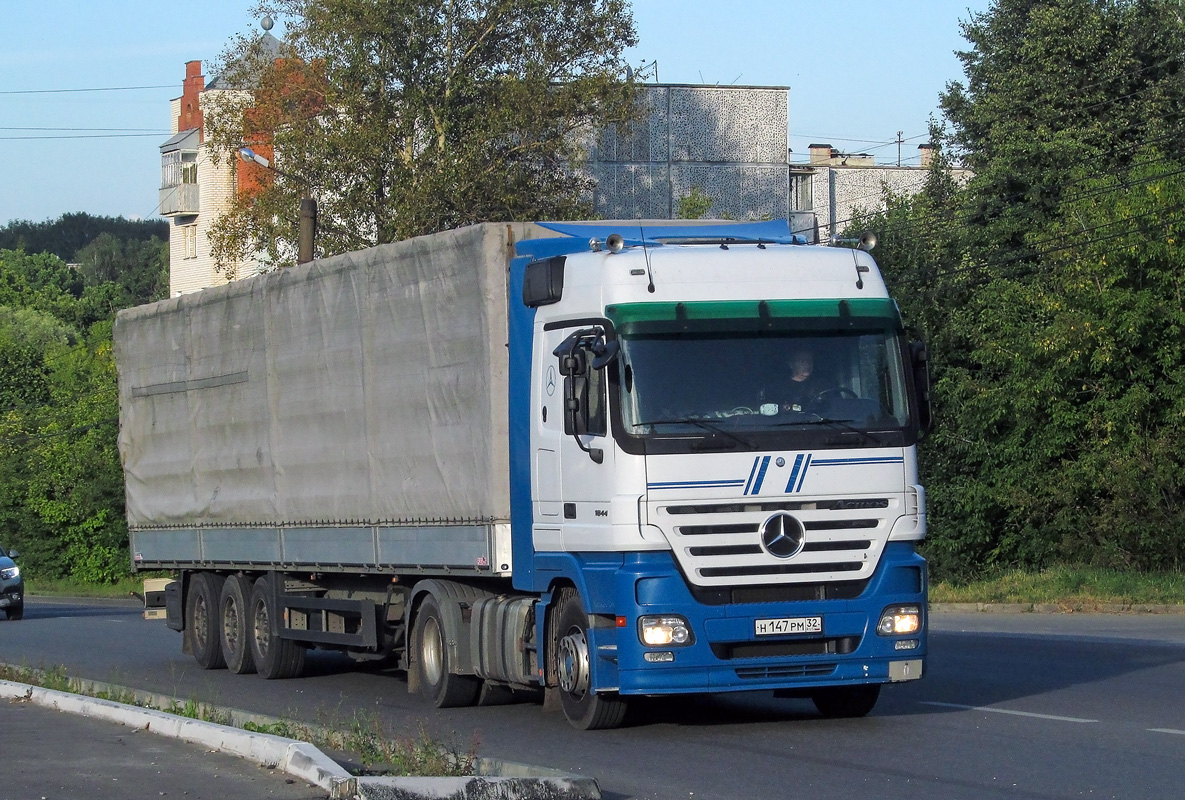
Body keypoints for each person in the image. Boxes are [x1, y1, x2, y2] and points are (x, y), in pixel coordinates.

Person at [781, 345, 823, 412]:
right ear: (791, 364)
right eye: (802, 361)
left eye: (809, 361)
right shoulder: (781, 387)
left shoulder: (821, 384)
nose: (807, 365)